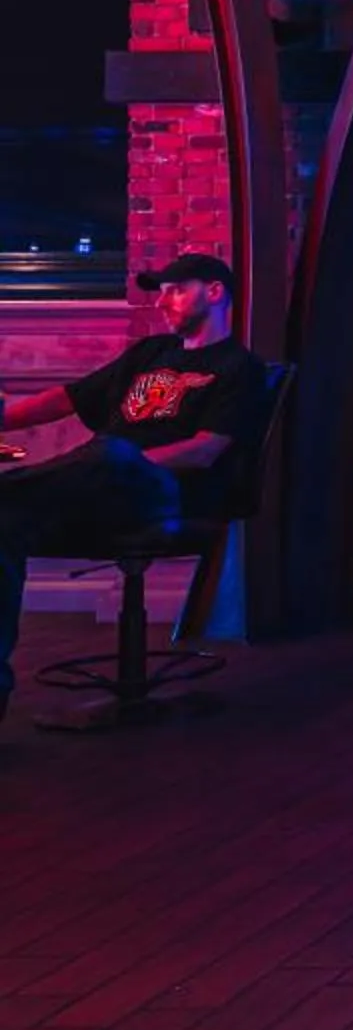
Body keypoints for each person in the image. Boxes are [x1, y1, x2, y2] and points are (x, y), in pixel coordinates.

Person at [0, 252, 272, 721]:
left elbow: (205, 450)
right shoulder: (150, 354)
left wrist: (125, 463)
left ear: (214, 292)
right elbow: (67, 398)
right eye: (162, 292)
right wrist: (3, 417)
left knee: (111, 453)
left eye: (176, 290)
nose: (163, 302)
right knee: (4, 524)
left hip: (164, 493)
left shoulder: (238, 367)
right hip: (97, 487)